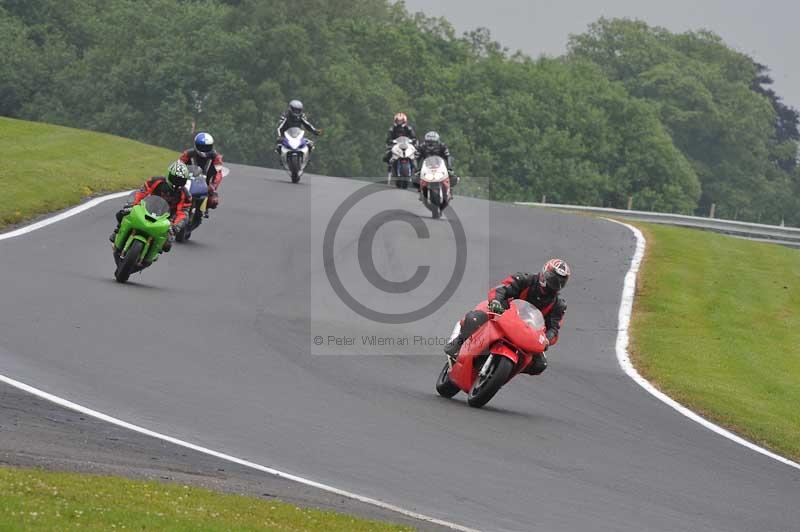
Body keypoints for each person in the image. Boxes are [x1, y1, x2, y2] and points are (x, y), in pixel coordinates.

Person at [443, 259, 571, 375]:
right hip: (502, 314)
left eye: (560, 282)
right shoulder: (524, 279)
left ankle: (508, 369)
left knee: (540, 364)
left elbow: (554, 329)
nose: (555, 284)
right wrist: (496, 302)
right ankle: (458, 343)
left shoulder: (558, 305)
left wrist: (547, 339)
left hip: (528, 332)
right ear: (544, 273)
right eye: (553, 279)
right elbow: (501, 289)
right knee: (475, 318)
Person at [109, 161, 192, 253]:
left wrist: (175, 226)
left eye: (180, 180)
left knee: (167, 246)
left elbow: (183, 213)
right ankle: (117, 230)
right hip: (148, 207)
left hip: (167, 218)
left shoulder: (185, 194)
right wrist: (132, 205)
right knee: (122, 214)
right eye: (175, 179)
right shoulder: (156, 180)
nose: (177, 183)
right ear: (168, 175)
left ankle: (153, 253)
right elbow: (141, 192)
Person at [180, 132, 224, 211]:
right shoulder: (188, 154)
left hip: (206, 183)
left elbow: (219, 173)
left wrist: (214, 185)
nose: (204, 149)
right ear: (196, 145)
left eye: (207, 147)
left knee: (213, 201)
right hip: (187, 180)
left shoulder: (216, 157)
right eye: (201, 147)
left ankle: (203, 210)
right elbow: (178, 165)